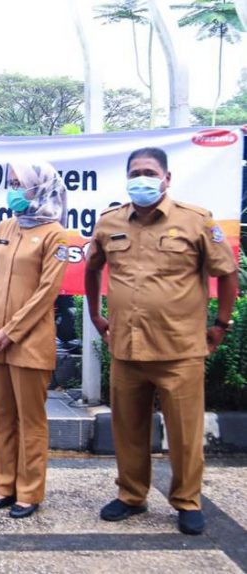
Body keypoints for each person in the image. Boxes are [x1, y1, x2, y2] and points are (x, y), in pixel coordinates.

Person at [85, 147, 238, 535]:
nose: (142, 178)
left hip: (179, 349)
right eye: (135, 172)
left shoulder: (196, 221)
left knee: (185, 435)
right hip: (126, 348)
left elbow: (227, 272)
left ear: (166, 178)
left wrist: (221, 324)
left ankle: (187, 501)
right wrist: (96, 314)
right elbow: (92, 268)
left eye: (149, 172)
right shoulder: (109, 222)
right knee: (128, 428)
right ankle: (131, 495)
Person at [0, 161, 69, 519]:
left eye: (20, 183)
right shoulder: (4, 227)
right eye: (11, 182)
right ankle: (4, 487)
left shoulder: (55, 234)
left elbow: (47, 293)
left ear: (41, 187)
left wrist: (10, 331)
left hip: (27, 342)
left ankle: (29, 492)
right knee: (3, 417)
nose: (13, 189)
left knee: (30, 419)